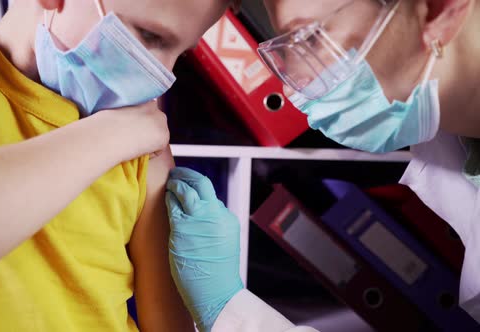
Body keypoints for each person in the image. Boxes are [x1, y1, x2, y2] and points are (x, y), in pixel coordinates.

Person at [0, 0, 239, 331]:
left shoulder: (145, 149)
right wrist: (110, 137)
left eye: (181, 54)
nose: (162, 74)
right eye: (150, 36)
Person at [166, 0, 480, 331]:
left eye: (311, 39)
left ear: (436, 9)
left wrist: (227, 311)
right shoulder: (458, 153)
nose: (291, 89)